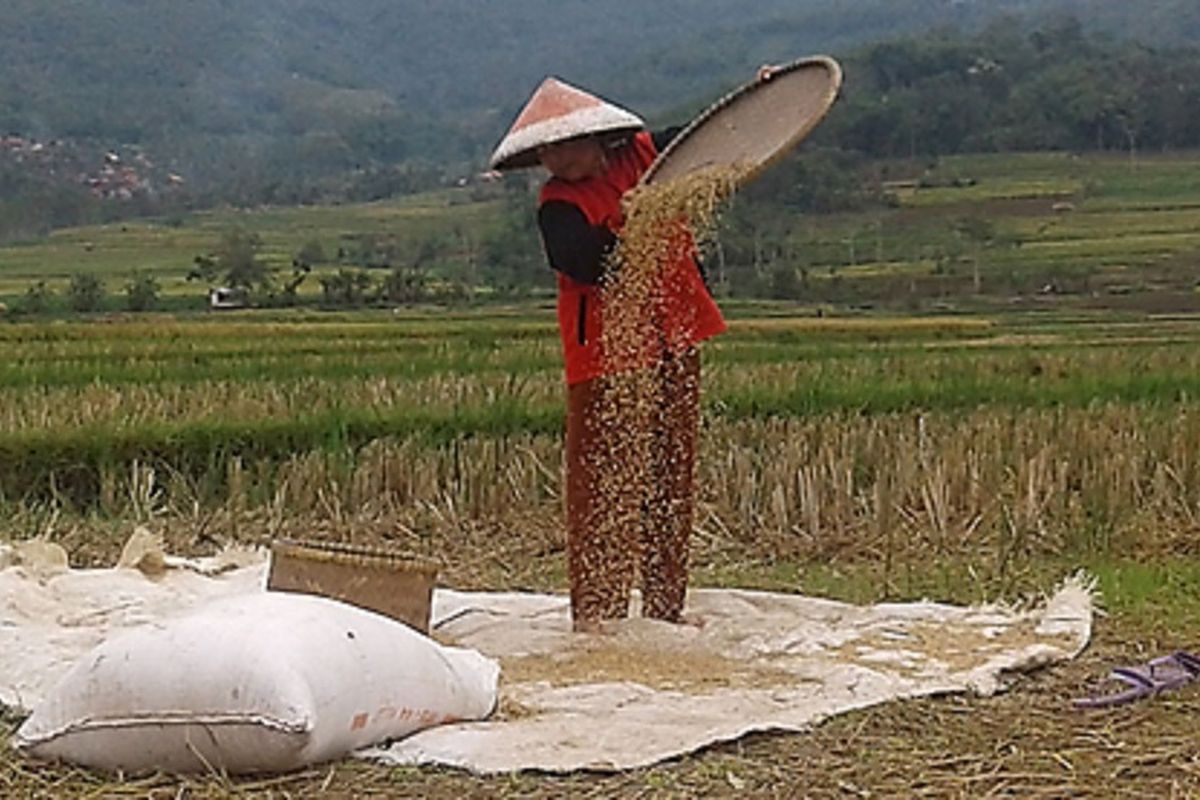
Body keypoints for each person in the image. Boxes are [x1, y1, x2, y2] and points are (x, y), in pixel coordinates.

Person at [489, 77, 728, 632]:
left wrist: (764, 90)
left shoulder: (645, 154)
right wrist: (633, 219)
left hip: (673, 332)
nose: (559, 159)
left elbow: (710, 135)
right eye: (549, 150)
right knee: (602, 483)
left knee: (671, 472)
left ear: (600, 139)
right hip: (606, 352)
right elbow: (584, 263)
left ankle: (667, 608)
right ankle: (598, 619)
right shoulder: (559, 204)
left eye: (568, 146)